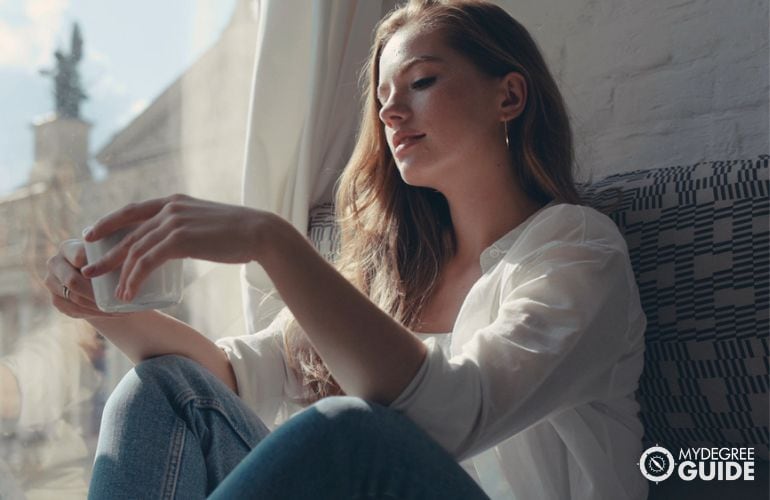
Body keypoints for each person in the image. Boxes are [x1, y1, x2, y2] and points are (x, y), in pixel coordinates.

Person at [44, 1, 648, 498]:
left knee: (347, 430)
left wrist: (271, 240)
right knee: (160, 388)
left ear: (508, 97)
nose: (389, 110)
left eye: (422, 81)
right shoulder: (386, 273)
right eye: (383, 95)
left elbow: (453, 415)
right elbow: (230, 378)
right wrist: (102, 304)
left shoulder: (574, 248)